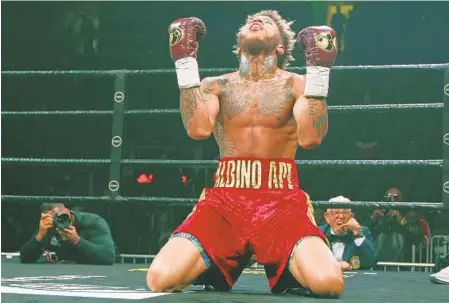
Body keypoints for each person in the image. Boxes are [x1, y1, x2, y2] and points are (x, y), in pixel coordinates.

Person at [147, 10, 342, 297]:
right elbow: (198, 130)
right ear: (238, 45)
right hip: (224, 203)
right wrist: (185, 63)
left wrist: (319, 73)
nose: (257, 20)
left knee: (329, 284)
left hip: (281, 203)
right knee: (160, 279)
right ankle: (213, 264)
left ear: (280, 46)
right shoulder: (215, 85)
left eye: (268, 22)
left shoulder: (297, 85)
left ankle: (289, 269)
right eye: (250, 21)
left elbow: (311, 138)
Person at [20, 203, 116, 265]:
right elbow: (25, 258)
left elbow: (108, 256)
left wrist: (77, 240)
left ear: (68, 212)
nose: (60, 221)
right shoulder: (49, 226)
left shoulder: (93, 222)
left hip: (99, 273)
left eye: (62, 216)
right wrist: (40, 236)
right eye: (55, 219)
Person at [320, 196, 376, 270]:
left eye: (345, 212)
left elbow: (371, 261)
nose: (341, 216)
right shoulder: (318, 233)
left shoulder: (362, 231)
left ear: (351, 216)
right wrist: (334, 265)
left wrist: (357, 233)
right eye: (336, 212)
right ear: (327, 217)